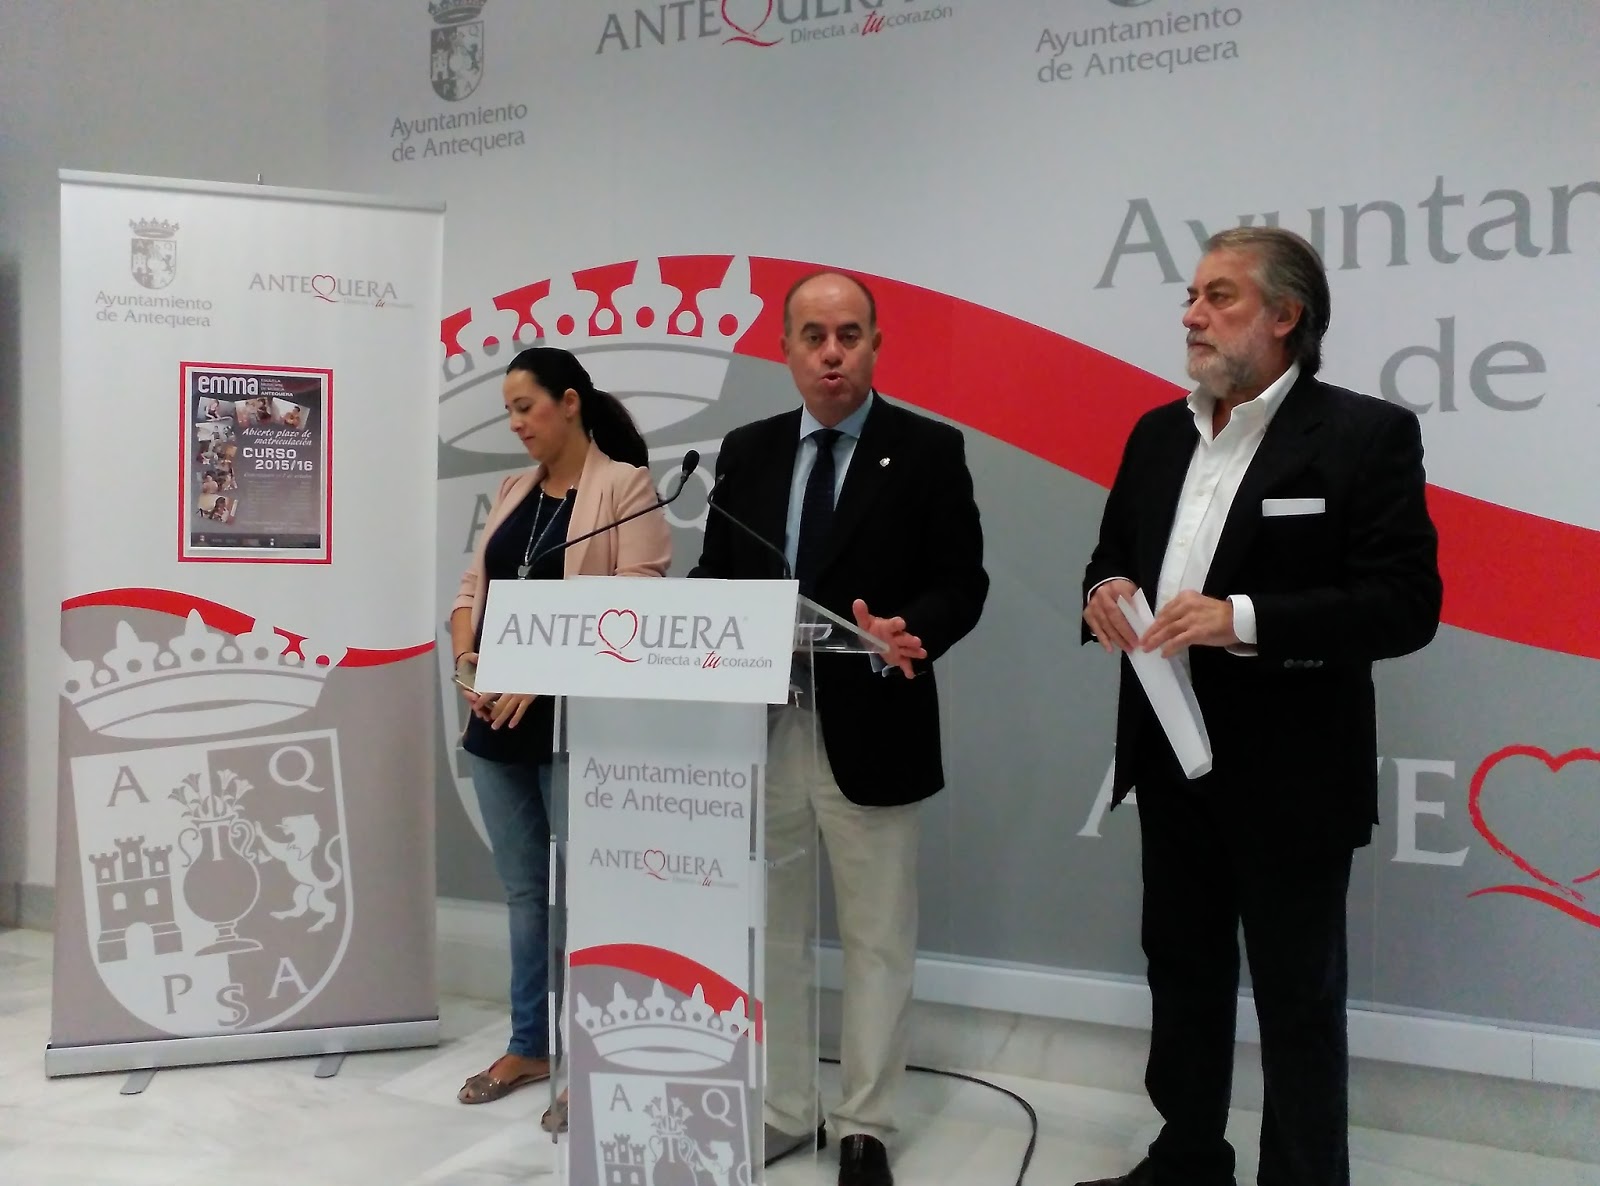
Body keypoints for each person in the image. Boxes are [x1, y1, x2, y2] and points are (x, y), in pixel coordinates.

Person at [1078, 227, 1442, 1186]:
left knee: (1297, 1000)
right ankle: (1188, 1159)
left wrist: (1241, 618)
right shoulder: (1156, 435)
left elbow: (1405, 605)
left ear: (1286, 316)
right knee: (1182, 977)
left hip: (1293, 776)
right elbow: (1111, 553)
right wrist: (1105, 592)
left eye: (1220, 297)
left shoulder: (1363, 436)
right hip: (1170, 758)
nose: (1192, 316)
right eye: (1191, 296)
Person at [691, 271, 988, 1186]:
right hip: (764, 728)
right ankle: (786, 1109)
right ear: (784, 349)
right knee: (773, 933)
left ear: (875, 346)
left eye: (849, 335)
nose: (831, 353)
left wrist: (914, 629)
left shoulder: (928, 449)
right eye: (813, 336)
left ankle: (864, 1124)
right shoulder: (747, 449)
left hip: (875, 723)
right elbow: (715, 574)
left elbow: (962, 580)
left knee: (877, 939)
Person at [449, 346, 670, 1110]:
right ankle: (530, 1046)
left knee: (589, 896)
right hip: (495, 722)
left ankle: (595, 1057)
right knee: (524, 894)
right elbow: (470, 590)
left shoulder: (624, 486)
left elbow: (637, 603)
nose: (516, 424)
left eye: (525, 407)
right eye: (509, 411)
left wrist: (540, 675)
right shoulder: (514, 490)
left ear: (569, 402)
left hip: (576, 725)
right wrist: (469, 661)